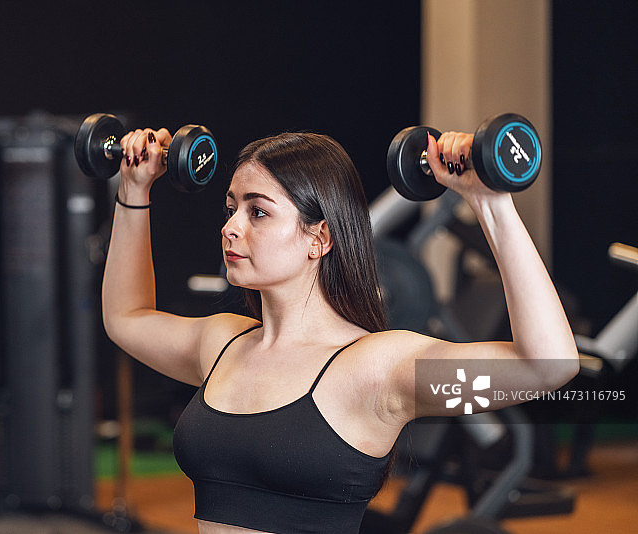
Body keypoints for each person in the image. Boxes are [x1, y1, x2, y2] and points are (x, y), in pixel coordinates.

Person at [102, 126, 579, 534]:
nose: (230, 227)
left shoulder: (377, 368)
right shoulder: (221, 345)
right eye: (231, 209)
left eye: (257, 212)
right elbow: (126, 317)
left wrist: (491, 202)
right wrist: (134, 189)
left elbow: (546, 366)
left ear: (319, 237)